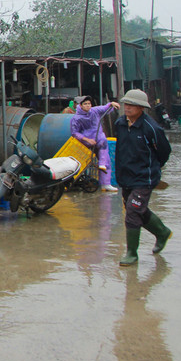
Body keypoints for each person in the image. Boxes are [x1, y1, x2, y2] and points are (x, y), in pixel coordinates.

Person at [114, 89, 172, 267]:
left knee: (133, 210)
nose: (128, 107)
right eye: (126, 104)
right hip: (126, 175)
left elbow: (164, 152)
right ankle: (162, 232)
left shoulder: (151, 128)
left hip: (144, 177)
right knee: (136, 209)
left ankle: (132, 253)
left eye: (132, 105)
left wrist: (153, 168)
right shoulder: (120, 124)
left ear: (141, 108)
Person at [70, 95, 121, 192]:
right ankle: (101, 165)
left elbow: (105, 108)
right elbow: (74, 133)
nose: (88, 106)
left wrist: (111, 104)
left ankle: (105, 183)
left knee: (106, 160)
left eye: (89, 104)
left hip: (99, 140)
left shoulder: (94, 111)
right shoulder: (76, 118)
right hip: (86, 142)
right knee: (102, 142)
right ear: (80, 106)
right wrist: (87, 139)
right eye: (85, 104)